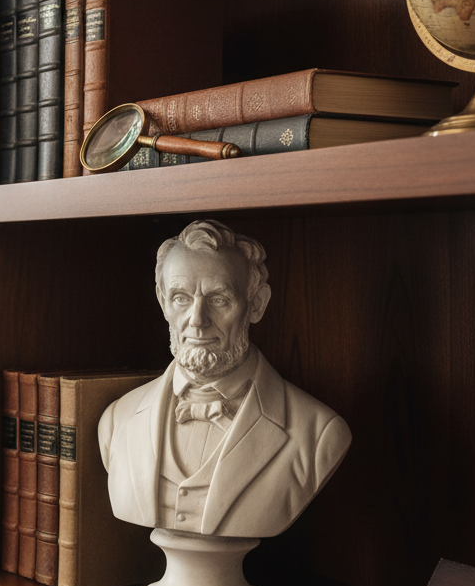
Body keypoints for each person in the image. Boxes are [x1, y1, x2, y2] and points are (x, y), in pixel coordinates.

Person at [98, 219, 350, 540]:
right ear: (163, 302)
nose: (197, 320)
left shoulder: (319, 434)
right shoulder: (116, 422)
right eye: (180, 298)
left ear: (255, 304)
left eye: (218, 300)